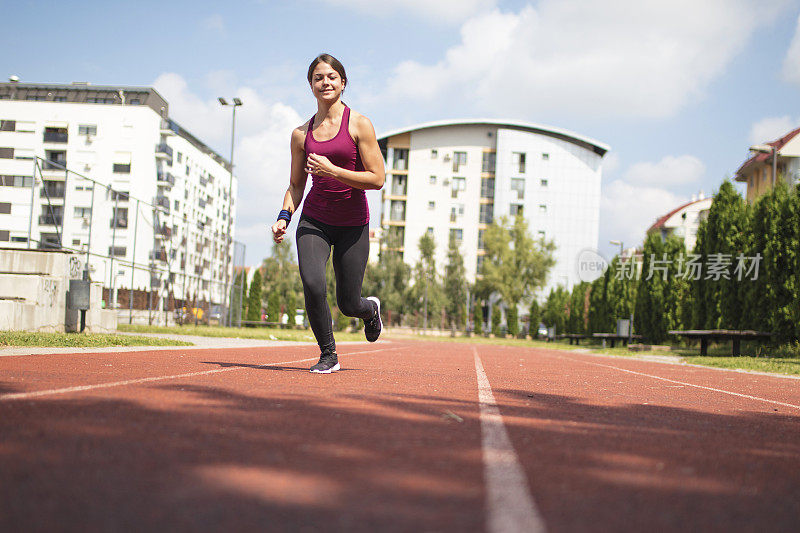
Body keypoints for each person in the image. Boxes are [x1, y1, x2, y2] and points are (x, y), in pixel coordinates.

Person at [271, 53, 385, 374]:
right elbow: (296, 185)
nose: (326, 82)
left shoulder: (360, 125)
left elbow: (377, 179)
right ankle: (328, 354)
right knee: (312, 282)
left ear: (343, 82)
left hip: (352, 224)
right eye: (319, 77)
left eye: (332, 77)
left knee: (349, 303)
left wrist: (334, 171)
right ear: (311, 85)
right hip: (314, 220)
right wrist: (284, 216)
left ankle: (370, 310)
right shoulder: (300, 135)